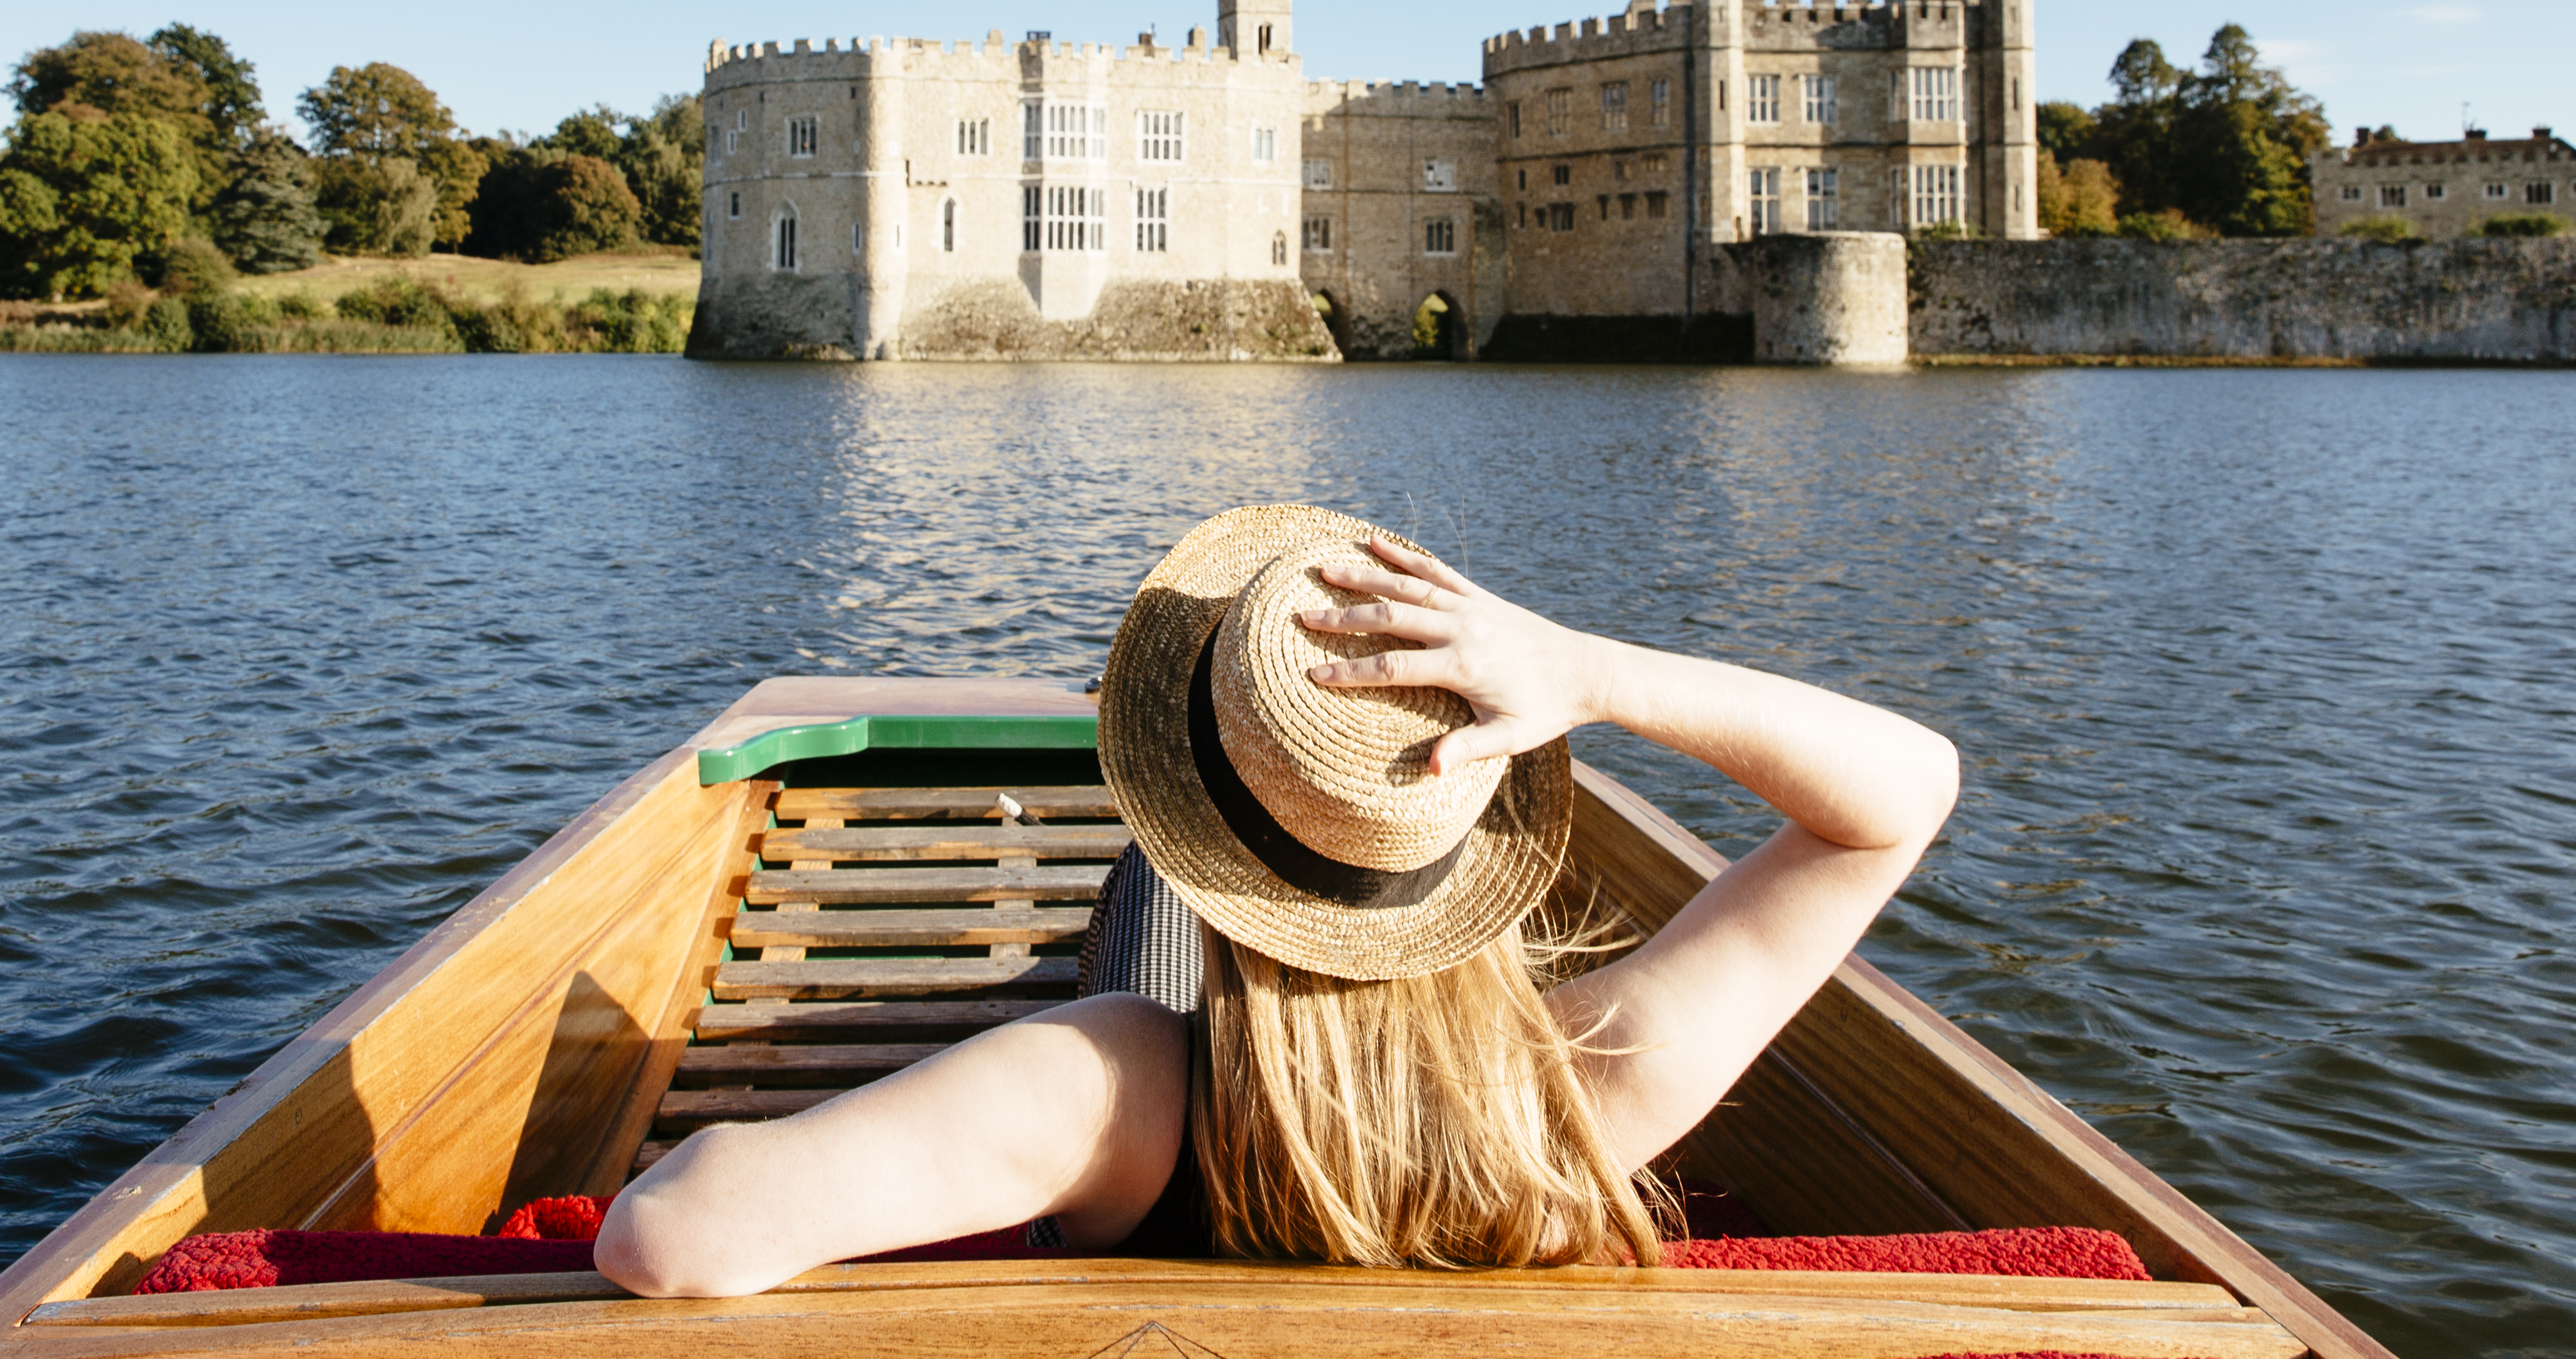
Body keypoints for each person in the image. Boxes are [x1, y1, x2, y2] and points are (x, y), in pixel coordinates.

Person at [595, 504, 1959, 1294]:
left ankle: (1149, 875)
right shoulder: (1592, 1076)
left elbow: (664, 1233)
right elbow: (1905, 788)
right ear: (1469, 821)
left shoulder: (1107, 1082)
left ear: (1196, 810)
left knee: (1139, 940)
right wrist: (1589, 669)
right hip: (1451, 1100)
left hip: (1162, 1085)